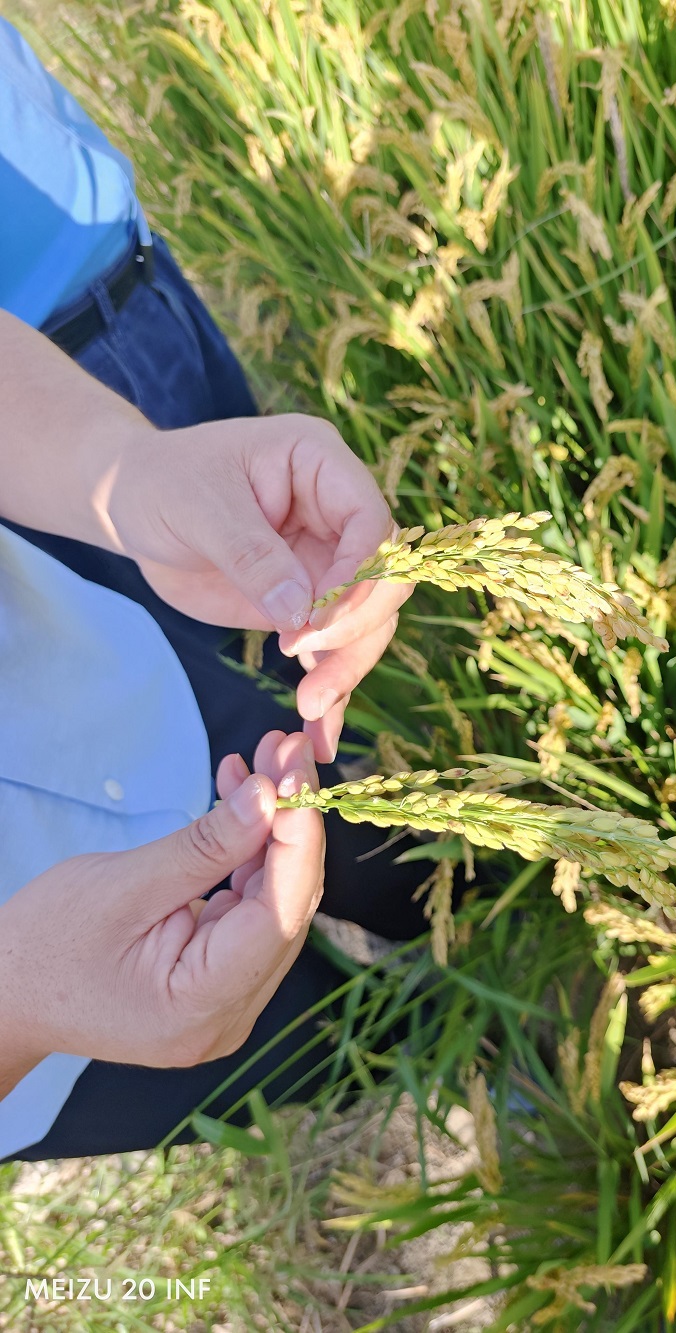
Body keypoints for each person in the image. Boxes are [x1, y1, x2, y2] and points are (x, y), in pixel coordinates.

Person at [0, 17, 438, 1162]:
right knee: (311, 1054)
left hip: (101, 677)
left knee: (403, 841)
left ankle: (531, 947)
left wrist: (123, 473)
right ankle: (459, 1060)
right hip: (64, 1057)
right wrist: (13, 1007)